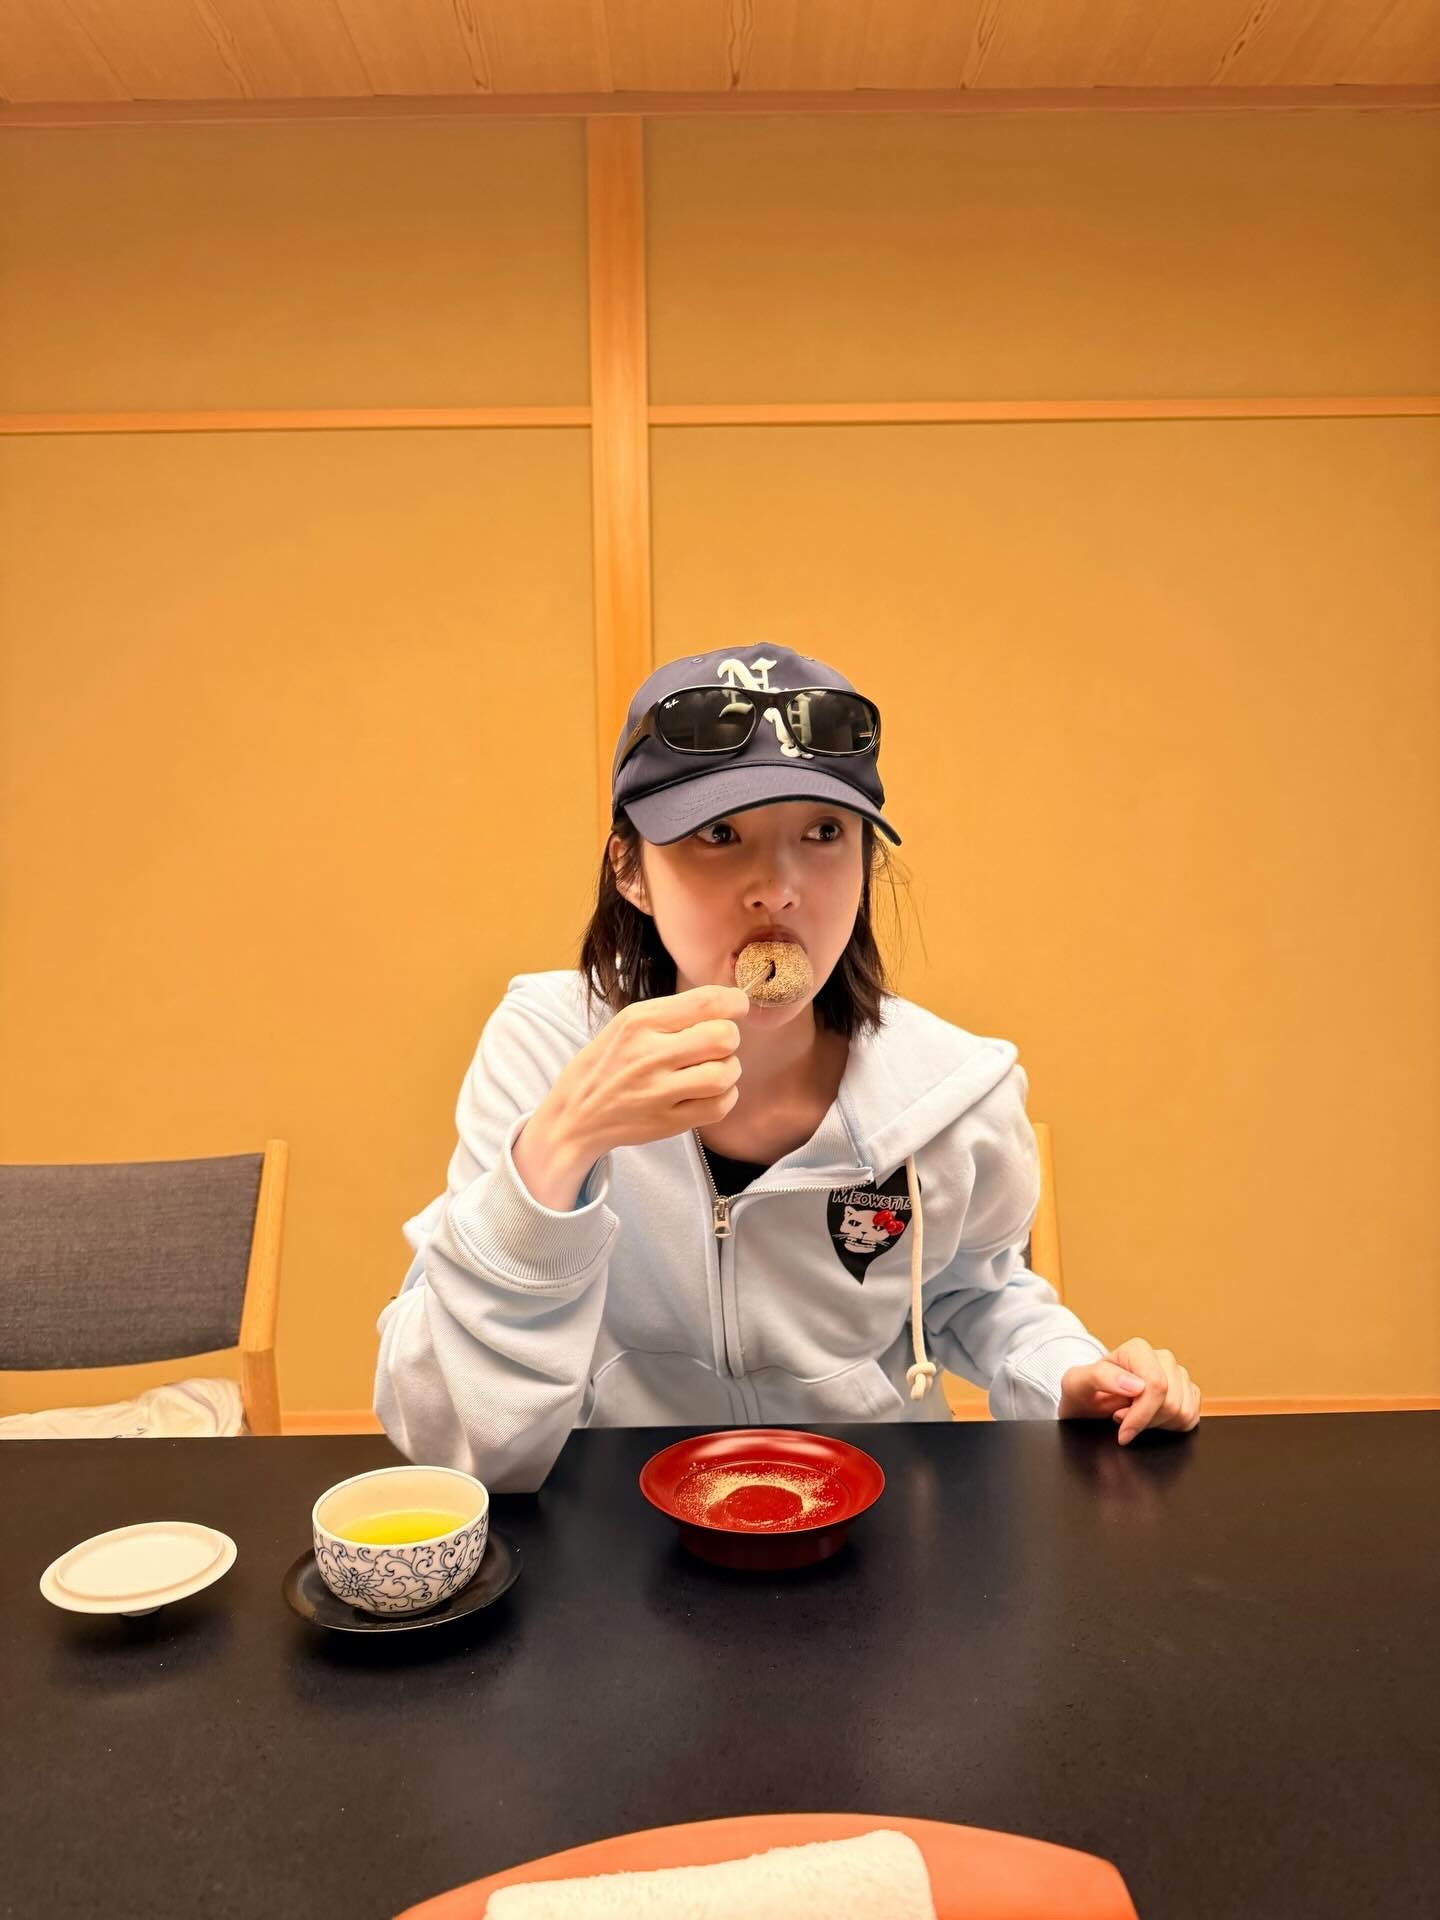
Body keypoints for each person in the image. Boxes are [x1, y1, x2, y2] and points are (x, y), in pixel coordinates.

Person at [374, 646, 1202, 1492]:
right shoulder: (543, 1051)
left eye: (824, 833)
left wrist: (1070, 1372)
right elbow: (453, 1441)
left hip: (875, 1512)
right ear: (630, 870)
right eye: (718, 834)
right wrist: (558, 1147)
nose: (776, 887)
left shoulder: (955, 1094)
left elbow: (975, 1293)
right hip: (618, 1512)